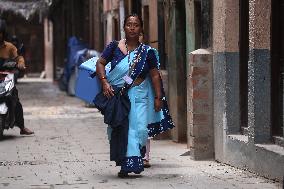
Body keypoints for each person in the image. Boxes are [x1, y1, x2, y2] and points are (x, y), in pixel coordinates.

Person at [96, 14, 174, 178]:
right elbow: (100, 63)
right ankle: (126, 164)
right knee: (118, 129)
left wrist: (158, 97)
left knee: (139, 130)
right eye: (129, 24)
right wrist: (104, 82)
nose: (132, 27)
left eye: (136, 25)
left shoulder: (148, 52)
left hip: (139, 95)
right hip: (119, 96)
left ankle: (135, 159)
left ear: (141, 29)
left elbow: (154, 75)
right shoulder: (114, 47)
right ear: (124, 27)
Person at [0, 19, 34, 135]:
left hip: (5, 78)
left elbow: (19, 57)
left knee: (15, 99)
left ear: (3, 33)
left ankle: (22, 127)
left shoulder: (9, 47)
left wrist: (20, 63)